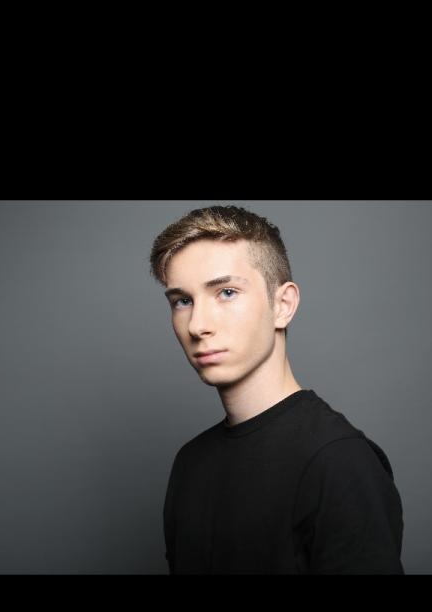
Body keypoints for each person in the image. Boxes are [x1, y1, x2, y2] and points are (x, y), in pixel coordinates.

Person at [149, 205, 404, 574]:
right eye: (182, 301)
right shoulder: (190, 463)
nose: (197, 325)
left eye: (226, 292)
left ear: (283, 305)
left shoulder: (339, 461)